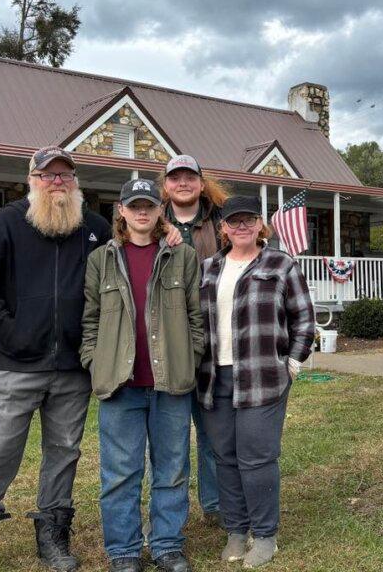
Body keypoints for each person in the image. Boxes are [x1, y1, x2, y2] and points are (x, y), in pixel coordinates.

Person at [0, 147, 112, 572]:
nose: (57, 182)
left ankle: (54, 538)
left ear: (75, 181)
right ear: (32, 179)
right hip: (17, 364)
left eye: (65, 175)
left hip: (72, 369)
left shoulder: (94, 229)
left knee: (63, 452)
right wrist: (12, 331)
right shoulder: (3, 224)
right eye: (48, 175)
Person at [81, 178, 204, 572]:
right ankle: (124, 551)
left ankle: (167, 544)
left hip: (170, 384)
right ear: (121, 210)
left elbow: (196, 317)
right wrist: (95, 362)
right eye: (134, 205)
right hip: (120, 385)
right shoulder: (101, 260)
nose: (142, 212)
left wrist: (190, 357)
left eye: (149, 205)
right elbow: (90, 322)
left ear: (159, 211)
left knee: (171, 470)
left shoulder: (181, 257)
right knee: (120, 474)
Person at [195, 196, 315, 569]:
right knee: (225, 458)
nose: (241, 226)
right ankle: (236, 529)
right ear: (224, 228)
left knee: (257, 457)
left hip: (263, 377)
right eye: (234, 221)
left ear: (260, 225)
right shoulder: (208, 268)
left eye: (248, 220)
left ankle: (265, 536)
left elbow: (304, 320)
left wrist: (292, 363)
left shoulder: (280, 264)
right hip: (214, 377)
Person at [159, 154, 228, 527]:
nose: (183, 183)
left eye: (190, 177)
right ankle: (172, 512)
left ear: (201, 183)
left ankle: (215, 505)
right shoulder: (149, 221)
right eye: (175, 177)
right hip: (168, 343)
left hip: (214, 341)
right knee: (170, 437)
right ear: (165, 185)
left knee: (212, 429)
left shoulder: (222, 222)